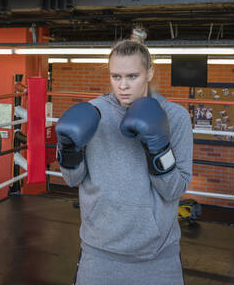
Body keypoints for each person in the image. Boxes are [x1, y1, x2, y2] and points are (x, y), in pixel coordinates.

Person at [56, 28, 193, 285]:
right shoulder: (92, 114)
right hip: (99, 254)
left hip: (158, 257)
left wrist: (158, 148)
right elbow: (72, 179)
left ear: (149, 73)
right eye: (115, 76)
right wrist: (69, 150)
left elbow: (175, 189)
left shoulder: (175, 117)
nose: (123, 86)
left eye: (132, 76)